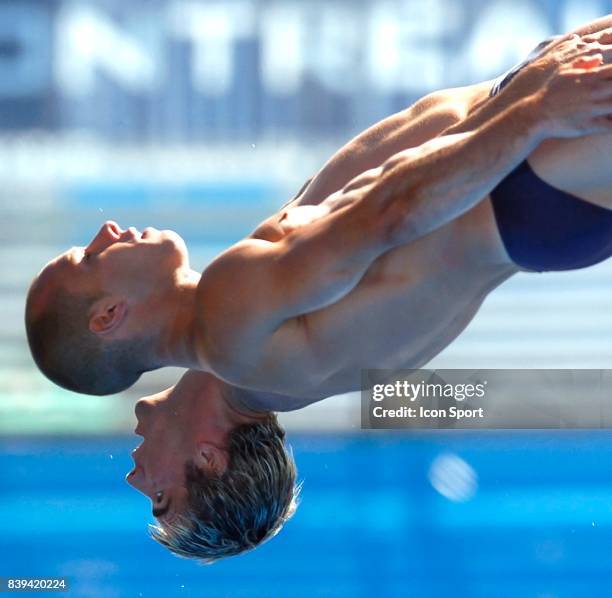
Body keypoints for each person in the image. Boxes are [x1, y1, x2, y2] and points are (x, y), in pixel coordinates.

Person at [24, 16, 612, 560]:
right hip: (535, 162)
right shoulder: (232, 332)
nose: (132, 476)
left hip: (532, 165)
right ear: (208, 457)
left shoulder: (258, 357)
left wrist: (525, 96)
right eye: (158, 497)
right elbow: (392, 210)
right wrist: (531, 108)